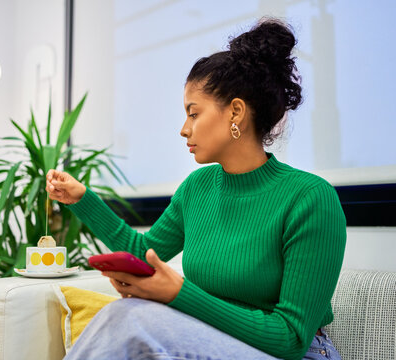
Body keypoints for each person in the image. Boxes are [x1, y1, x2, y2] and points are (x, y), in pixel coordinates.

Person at [46, 18, 346, 360]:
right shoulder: (197, 188)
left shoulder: (310, 198)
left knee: (131, 320)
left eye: (193, 114)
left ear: (235, 112)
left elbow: (290, 338)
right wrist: (82, 200)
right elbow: (144, 251)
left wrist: (178, 293)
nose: (184, 129)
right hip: (215, 340)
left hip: (298, 353)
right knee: (123, 314)